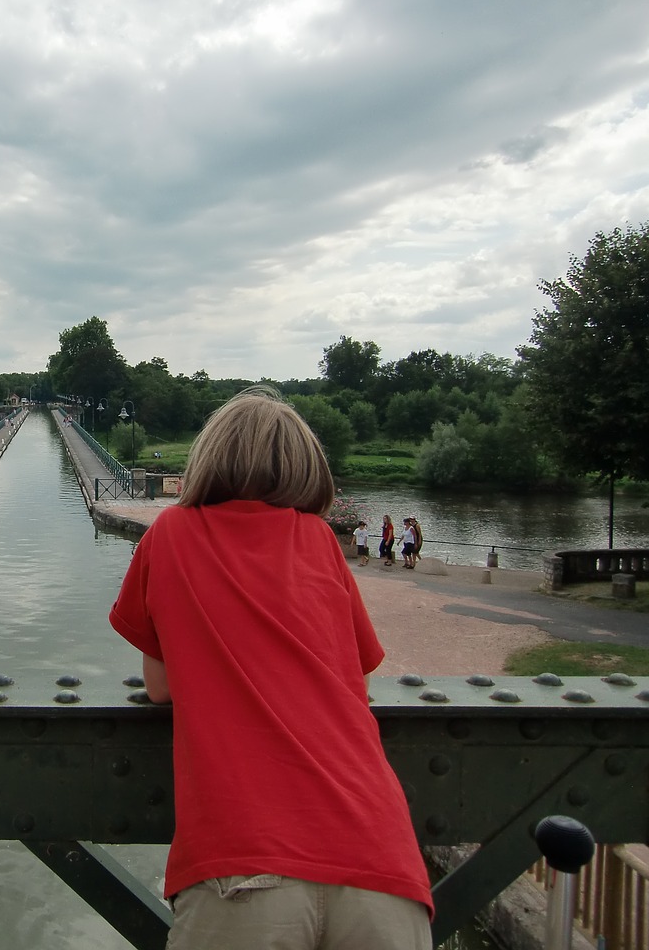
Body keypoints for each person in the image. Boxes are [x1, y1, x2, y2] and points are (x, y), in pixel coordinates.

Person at [109, 387, 432, 950]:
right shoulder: (320, 541)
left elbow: (159, 689)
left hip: (247, 859)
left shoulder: (171, 535)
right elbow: (353, 676)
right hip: (380, 859)